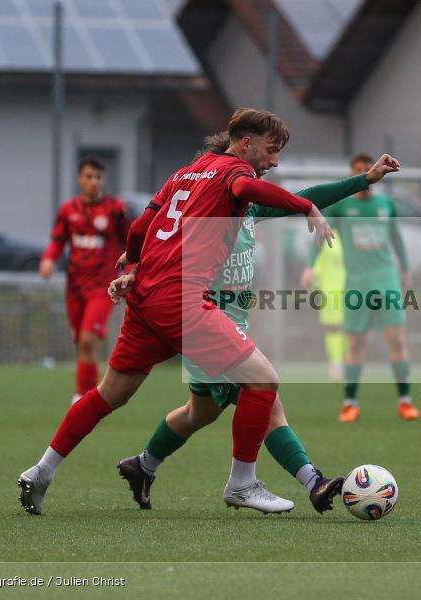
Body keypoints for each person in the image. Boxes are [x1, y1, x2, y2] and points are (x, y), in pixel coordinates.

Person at [18, 108, 333, 516]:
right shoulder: (233, 171)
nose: (273, 162)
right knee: (263, 381)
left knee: (109, 393)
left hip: (147, 298)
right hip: (181, 300)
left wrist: (133, 268)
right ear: (247, 143)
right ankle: (242, 483)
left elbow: (138, 231)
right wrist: (306, 207)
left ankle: (42, 471)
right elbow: (247, 189)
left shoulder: (184, 174)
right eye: (271, 152)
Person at [113, 134, 400, 513]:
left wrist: (363, 179)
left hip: (232, 323)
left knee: (200, 412)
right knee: (268, 401)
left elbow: (308, 194)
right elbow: (157, 244)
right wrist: (134, 270)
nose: (264, 168)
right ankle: (312, 482)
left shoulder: (247, 209)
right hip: (202, 324)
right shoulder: (203, 215)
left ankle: (143, 464)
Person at [301, 153, 419, 423]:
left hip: (386, 280)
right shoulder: (342, 207)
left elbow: (397, 239)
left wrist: (406, 270)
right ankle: (350, 403)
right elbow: (320, 233)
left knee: (396, 339)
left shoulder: (386, 205)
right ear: (353, 173)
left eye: (367, 169)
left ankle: (405, 402)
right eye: (358, 170)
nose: (365, 174)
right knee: (355, 342)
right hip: (356, 284)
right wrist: (310, 266)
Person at [39, 157, 130, 403]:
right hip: (75, 287)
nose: (93, 182)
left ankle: (84, 395)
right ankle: (88, 394)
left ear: (104, 180)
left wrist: (132, 270)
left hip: (103, 286)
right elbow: (58, 241)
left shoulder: (115, 209)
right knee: (81, 341)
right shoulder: (68, 210)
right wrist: (48, 259)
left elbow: (131, 242)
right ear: (80, 178)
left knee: (89, 339)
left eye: (98, 177)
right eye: (89, 177)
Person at [309, 230, 347, 381]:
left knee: (350, 329)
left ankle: (345, 361)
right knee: (334, 327)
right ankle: (336, 364)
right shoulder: (326, 236)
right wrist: (314, 283)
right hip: (330, 291)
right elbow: (318, 264)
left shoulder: (350, 235)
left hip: (352, 290)